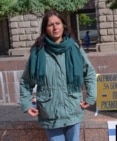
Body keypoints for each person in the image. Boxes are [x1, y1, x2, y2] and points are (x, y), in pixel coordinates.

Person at [19, 9, 97, 141]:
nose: (55, 27)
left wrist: (91, 97)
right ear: (45, 28)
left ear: (63, 25)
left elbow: (89, 72)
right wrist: (26, 104)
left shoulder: (74, 48)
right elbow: (26, 81)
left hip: (73, 109)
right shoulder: (37, 52)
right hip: (50, 112)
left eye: (58, 23)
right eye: (50, 25)